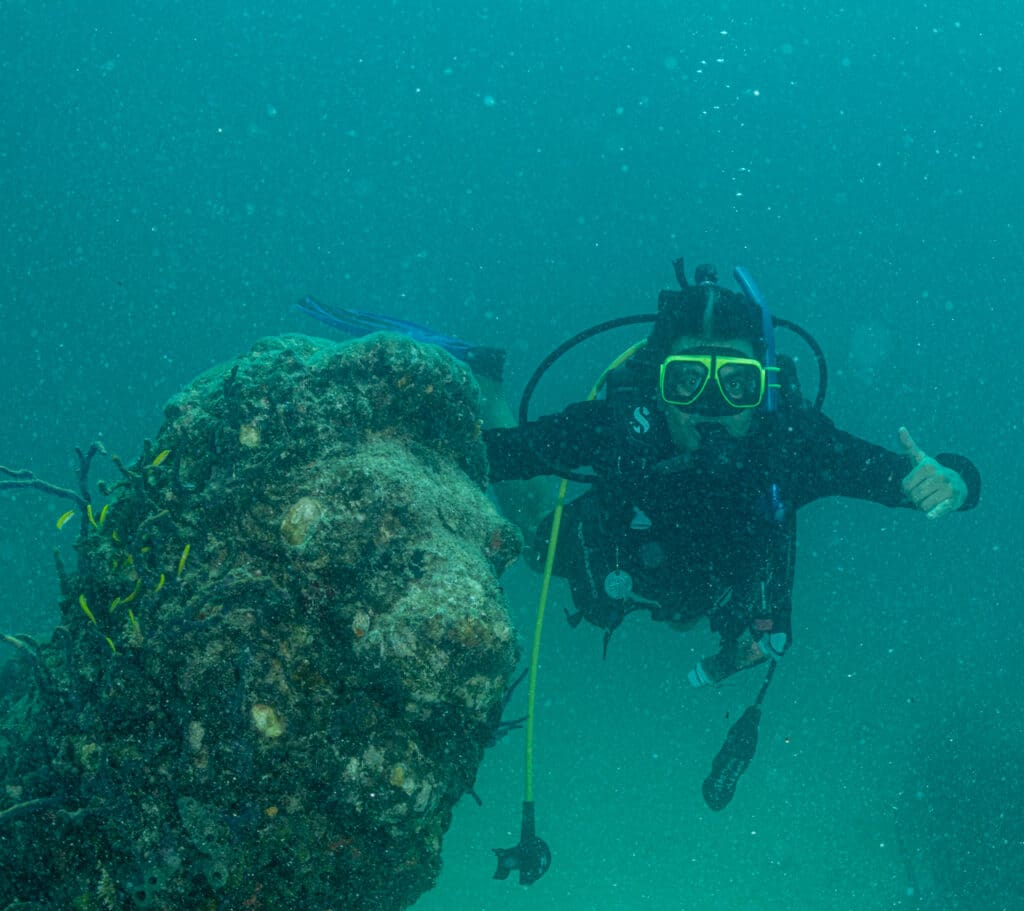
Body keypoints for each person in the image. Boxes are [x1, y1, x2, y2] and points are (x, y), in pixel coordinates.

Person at [298, 258, 981, 688]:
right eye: (689, 379)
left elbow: (905, 476)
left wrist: (949, 479)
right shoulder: (622, 427)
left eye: (736, 385)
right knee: (528, 537)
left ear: (764, 389)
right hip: (607, 554)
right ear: (660, 384)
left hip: (690, 589)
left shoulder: (790, 440)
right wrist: (393, 433)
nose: (712, 407)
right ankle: (482, 372)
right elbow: (502, 452)